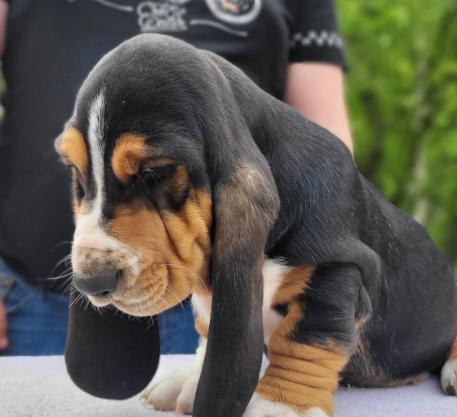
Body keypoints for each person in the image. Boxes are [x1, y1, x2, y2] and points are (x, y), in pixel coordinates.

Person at [0, 0, 352, 355]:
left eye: (153, 172)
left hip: (243, 294)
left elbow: (324, 149)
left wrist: (329, 290)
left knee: (264, 388)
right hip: (36, 298)